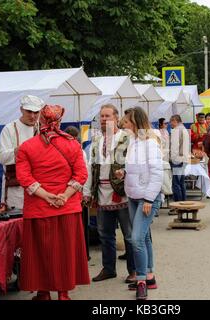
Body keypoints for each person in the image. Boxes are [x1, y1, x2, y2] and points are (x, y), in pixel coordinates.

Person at [15, 104, 89, 300]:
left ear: (41, 120)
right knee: (65, 254)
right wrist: (64, 195)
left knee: (40, 255)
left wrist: (46, 195)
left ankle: (43, 293)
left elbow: (24, 178)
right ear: (59, 121)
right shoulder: (73, 144)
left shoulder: (26, 147)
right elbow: (81, 174)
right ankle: (63, 294)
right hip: (67, 208)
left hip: (38, 209)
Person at [83, 104, 136, 283]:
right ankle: (108, 269)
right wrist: (87, 192)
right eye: (102, 117)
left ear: (116, 118)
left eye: (108, 116)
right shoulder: (96, 141)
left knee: (129, 234)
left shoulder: (127, 138)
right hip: (102, 194)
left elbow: (135, 163)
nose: (104, 120)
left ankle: (134, 270)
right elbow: (90, 168)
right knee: (105, 234)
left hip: (122, 192)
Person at [116, 107, 163, 300]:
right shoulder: (135, 141)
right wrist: (125, 173)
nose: (123, 125)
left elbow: (157, 173)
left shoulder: (149, 142)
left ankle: (141, 280)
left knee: (135, 239)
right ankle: (149, 276)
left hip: (146, 198)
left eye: (126, 122)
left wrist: (149, 199)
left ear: (135, 123)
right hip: (134, 196)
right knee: (143, 238)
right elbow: (140, 167)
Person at [0, 95, 44, 212]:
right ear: (21, 109)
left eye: (36, 112)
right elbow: (1, 157)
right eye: (29, 111)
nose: (33, 116)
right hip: (16, 190)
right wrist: (19, 151)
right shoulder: (9, 129)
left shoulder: (43, 129)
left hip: (41, 188)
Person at [65, 126, 90, 260]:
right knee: (77, 227)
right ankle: (81, 254)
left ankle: (82, 254)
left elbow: (84, 174)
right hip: (73, 192)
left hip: (75, 192)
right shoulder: (78, 150)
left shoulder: (80, 151)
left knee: (79, 226)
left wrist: (85, 193)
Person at [169, 115, 190, 208]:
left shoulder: (176, 131)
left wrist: (172, 159)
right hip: (184, 159)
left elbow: (174, 147)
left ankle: (178, 206)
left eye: (171, 122)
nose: (170, 124)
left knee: (176, 184)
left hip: (177, 160)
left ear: (175, 121)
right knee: (181, 183)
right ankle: (184, 203)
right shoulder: (184, 129)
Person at [158, 118, 172, 207]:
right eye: (165, 123)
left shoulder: (166, 132)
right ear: (161, 124)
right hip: (162, 156)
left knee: (167, 175)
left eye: (167, 123)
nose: (166, 125)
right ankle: (162, 196)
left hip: (166, 156)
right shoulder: (159, 133)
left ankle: (166, 193)